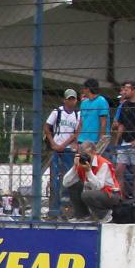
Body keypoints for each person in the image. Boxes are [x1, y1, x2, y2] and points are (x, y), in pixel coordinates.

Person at [43, 89, 81, 217]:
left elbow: (76, 133)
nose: (71, 101)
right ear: (64, 100)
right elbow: (47, 126)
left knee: (69, 177)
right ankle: (55, 207)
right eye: (69, 99)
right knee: (55, 178)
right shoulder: (57, 112)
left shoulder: (77, 114)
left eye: (73, 99)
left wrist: (64, 145)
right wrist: (53, 142)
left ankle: (67, 205)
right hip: (56, 148)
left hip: (68, 149)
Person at [67, 142, 122, 222]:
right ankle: (83, 216)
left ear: (94, 152)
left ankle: (105, 216)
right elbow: (66, 183)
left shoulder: (103, 163)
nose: (85, 158)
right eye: (82, 155)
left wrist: (88, 171)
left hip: (111, 195)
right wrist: (74, 167)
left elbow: (98, 186)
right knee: (74, 185)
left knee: (87, 195)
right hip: (94, 192)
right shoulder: (80, 163)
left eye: (87, 155)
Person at [77, 79, 110, 147]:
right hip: (82, 140)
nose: (83, 90)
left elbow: (103, 123)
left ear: (88, 89)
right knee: (78, 158)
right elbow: (81, 123)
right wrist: (77, 139)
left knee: (95, 158)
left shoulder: (101, 101)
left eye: (84, 88)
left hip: (95, 141)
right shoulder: (84, 103)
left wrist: (101, 142)